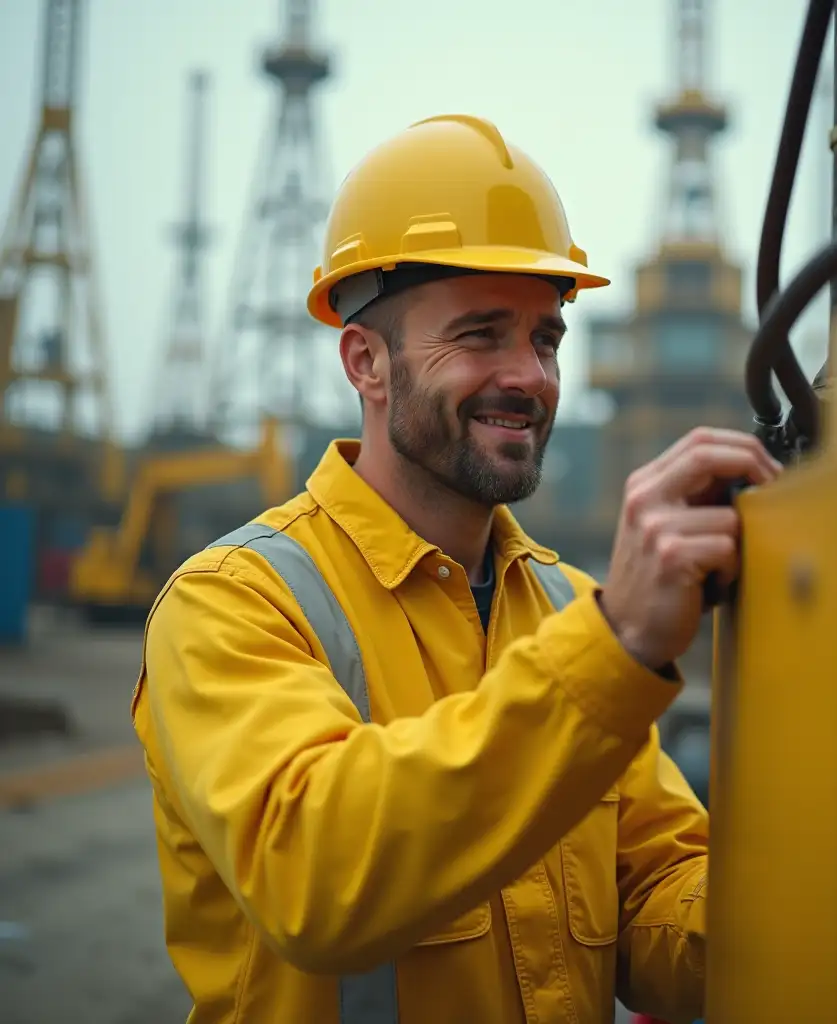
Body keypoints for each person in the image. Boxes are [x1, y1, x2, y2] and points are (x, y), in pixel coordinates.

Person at [131, 113, 782, 1024]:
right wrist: (615, 647)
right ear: (368, 361)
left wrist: (814, 883)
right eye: (480, 335)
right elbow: (316, 883)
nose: (529, 376)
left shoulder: (569, 609)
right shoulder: (234, 602)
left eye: (546, 339)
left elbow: (655, 901)